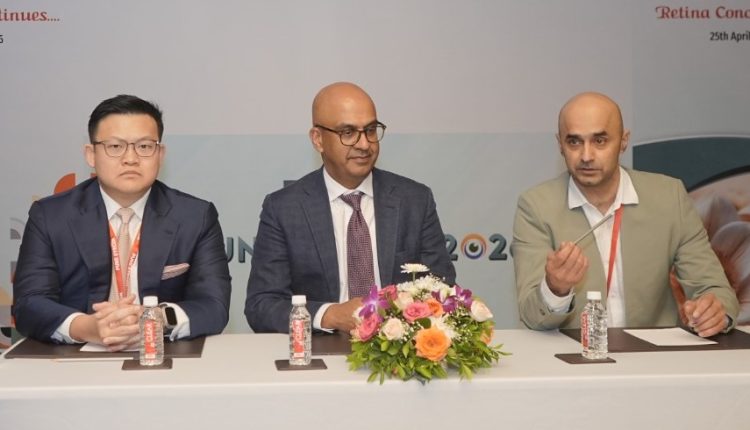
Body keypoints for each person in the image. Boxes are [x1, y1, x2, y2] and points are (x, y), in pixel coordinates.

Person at [511, 92, 739, 337]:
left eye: (600, 141)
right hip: (573, 355)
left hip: (652, 356)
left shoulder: (668, 197)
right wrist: (555, 288)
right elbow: (532, 316)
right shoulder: (536, 206)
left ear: (623, 141)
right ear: (560, 145)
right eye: (574, 142)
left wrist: (714, 312)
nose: (586, 156)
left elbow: (714, 289)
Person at [13, 95, 231, 350]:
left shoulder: (195, 216)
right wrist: (88, 327)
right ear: (91, 154)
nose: (130, 158)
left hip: (162, 355)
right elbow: (30, 303)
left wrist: (155, 319)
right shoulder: (50, 216)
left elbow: (214, 306)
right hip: (73, 357)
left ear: (160, 154)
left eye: (144, 146)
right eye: (115, 146)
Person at [245, 82, 455, 333]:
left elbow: (442, 289)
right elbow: (262, 305)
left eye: (370, 130)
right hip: (321, 346)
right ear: (318, 139)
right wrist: (329, 315)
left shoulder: (414, 200)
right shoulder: (284, 208)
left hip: (399, 348)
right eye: (348, 132)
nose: (364, 144)